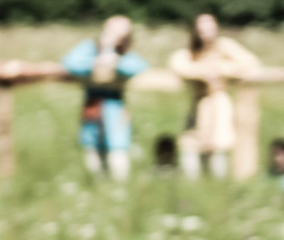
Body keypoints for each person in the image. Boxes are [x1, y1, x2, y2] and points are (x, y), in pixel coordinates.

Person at [170, 11, 259, 182]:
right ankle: (193, 184)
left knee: (218, 144)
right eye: (202, 30)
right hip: (199, 102)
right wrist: (202, 71)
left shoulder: (224, 46)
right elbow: (179, 64)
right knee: (191, 143)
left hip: (218, 101)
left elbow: (249, 62)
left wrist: (221, 69)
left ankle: (218, 184)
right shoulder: (191, 51)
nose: (206, 34)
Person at [62, 14, 149, 182]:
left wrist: (117, 62)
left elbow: (140, 67)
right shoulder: (90, 48)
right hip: (92, 103)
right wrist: (95, 62)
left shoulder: (124, 53)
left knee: (117, 146)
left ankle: (119, 185)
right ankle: (99, 183)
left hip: (114, 105)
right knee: (92, 145)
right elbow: (70, 63)